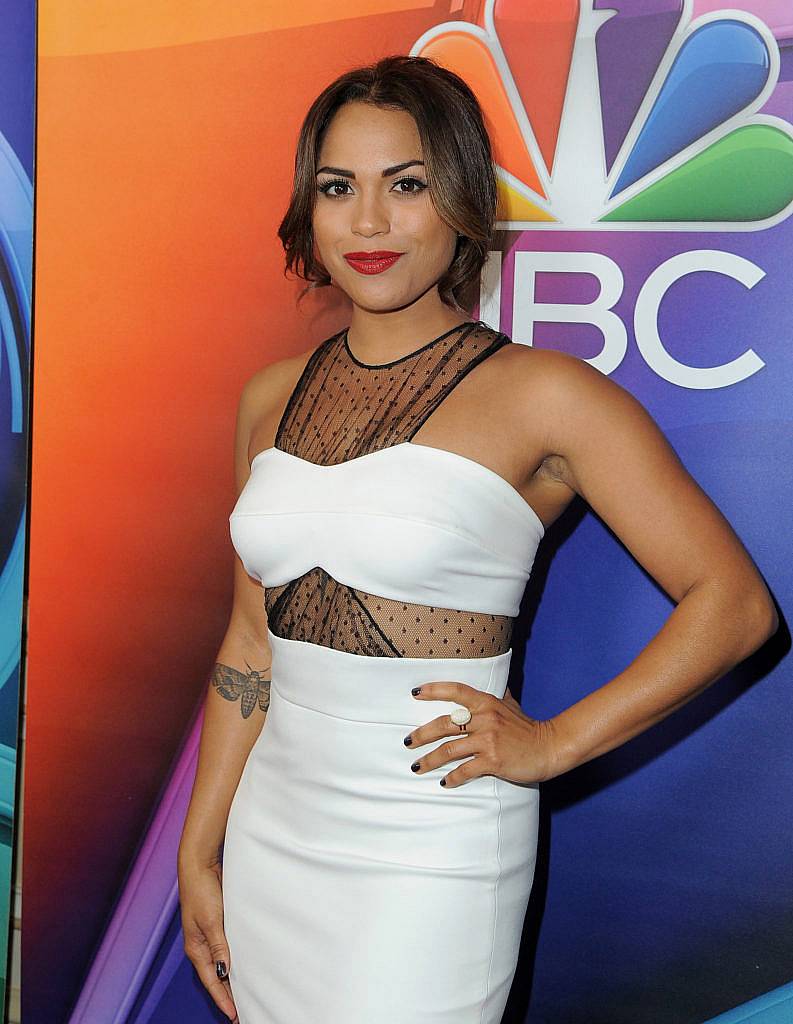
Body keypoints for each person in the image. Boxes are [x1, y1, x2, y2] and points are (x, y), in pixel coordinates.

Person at [177, 54, 778, 1024]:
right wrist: (199, 847)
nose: (367, 223)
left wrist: (554, 742)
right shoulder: (267, 398)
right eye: (338, 188)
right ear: (308, 207)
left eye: (404, 185)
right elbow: (250, 643)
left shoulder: (547, 396)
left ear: (458, 199)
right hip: (273, 833)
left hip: (432, 845)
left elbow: (735, 603)